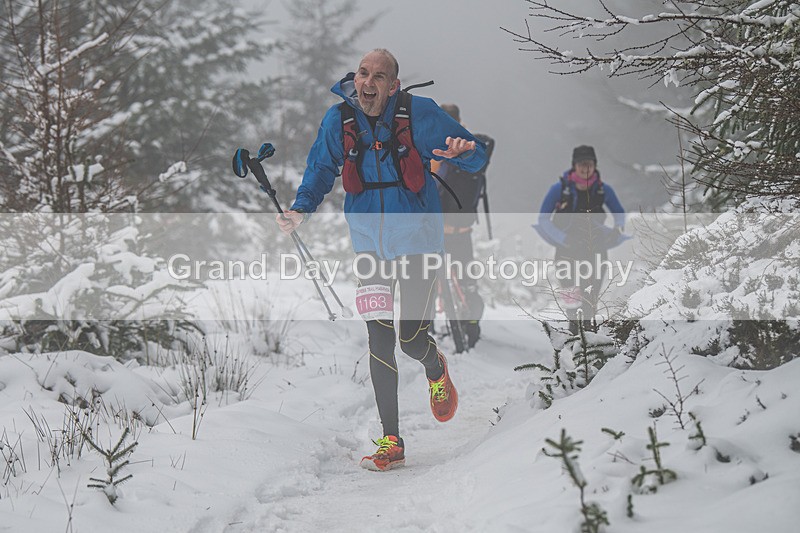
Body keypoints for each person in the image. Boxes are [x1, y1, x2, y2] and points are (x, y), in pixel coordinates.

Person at [276, 49, 487, 471]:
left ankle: (435, 365)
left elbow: (477, 154)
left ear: (393, 85)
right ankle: (392, 439)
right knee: (379, 339)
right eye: (363, 73)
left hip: (419, 242)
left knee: (410, 339)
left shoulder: (419, 114)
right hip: (369, 245)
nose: (368, 82)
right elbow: (320, 168)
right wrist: (301, 208)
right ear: (355, 78)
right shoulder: (339, 121)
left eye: (379, 76)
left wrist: (464, 152)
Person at [535, 145, 626, 334]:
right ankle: (574, 339)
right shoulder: (560, 189)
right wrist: (564, 238)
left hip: (596, 249)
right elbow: (543, 219)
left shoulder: (602, 190)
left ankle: (588, 344)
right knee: (571, 301)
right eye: (582, 164)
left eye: (590, 164)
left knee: (589, 301)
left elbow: (619, 213)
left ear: (595, 166)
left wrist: (617, 230)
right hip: (566, 250)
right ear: (574, 165)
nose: (586, 169)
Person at [433, 103, 492, 350]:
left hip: (437, 232)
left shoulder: (456, 151)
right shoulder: (474, 151)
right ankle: (471, 330)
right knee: (466, 282)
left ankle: (436, 331)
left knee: (430, 281)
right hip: (460, 233)